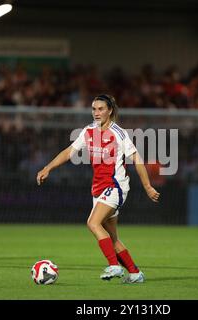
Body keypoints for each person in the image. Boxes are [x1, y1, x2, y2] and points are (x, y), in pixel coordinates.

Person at [37, 94, 160, 283]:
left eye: (101, 109)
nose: (96, 113)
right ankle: (135, 273)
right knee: (112, 239)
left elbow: (137, 159)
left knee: (92, 223)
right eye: (94, 109)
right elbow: (70, 152)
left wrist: (148, 186)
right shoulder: (88, 131)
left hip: (116, 186)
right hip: (99, 189)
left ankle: (114, 266)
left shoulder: (119, 134)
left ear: (110, 110)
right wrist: (48, 168)